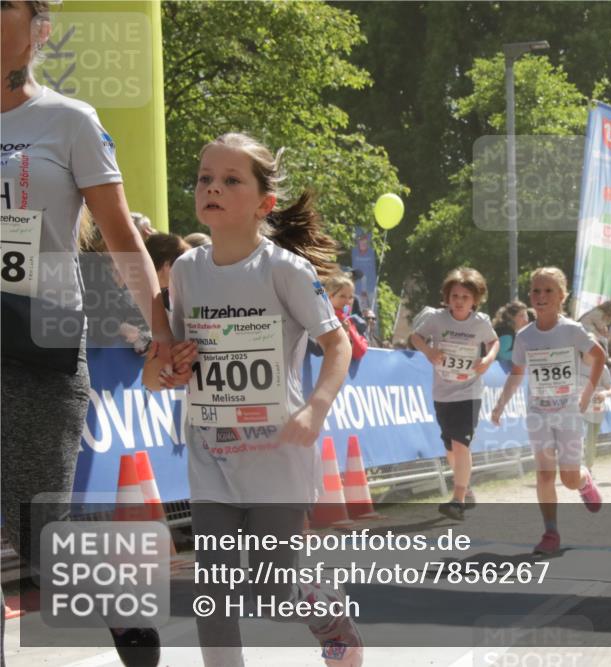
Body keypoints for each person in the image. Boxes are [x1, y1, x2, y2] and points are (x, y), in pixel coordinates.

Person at [1, 2, 179, 663]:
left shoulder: (68, 121)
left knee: (40, 531)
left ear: (38, 29)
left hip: (38, 335)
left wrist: (158, 323)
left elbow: (119, 232)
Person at [141, 132, 360, 666]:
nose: (212, 187)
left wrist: (316, 408)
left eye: (230, 180)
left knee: (268, 592)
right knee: (211, 595)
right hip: (211, 453)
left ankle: (331, 619)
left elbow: (337, 347)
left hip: (277, 454)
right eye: (205, 179)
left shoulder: (285, 270)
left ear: (265, 202)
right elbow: (156, 369)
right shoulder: (187, 272)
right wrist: (170, 369)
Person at [490, 267, 605, 556]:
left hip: (568, 413)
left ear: (562, 296)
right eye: (536, 291)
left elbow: (599, 357)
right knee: (543, 474)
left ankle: (583, 480)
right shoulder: (525, 336)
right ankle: (550, 532)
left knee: (567, 479)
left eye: (548, 291)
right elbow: (517, 373)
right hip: (538, 413)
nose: (541, 296)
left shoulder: (571, 330)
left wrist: (587, 394)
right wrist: (501, 403)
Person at [410, 267, 499, 521]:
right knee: (450, 447)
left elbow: (494, 342)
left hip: (469, 392)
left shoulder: (480, 322)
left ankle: (457, 500)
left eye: (465, 297)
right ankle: (466, 488)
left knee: (461, 443)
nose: (459, 302)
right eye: (455, 296)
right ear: (447, 298)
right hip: (443, 392)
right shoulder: (437, 319)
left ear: (475, 300)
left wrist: (488, 358)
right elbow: (416, 337)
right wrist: (429, 352)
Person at [582, 348, 611, 475]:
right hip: (579, 407)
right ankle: (580, 467)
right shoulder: (574, 364)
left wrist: (604, 393)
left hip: (596, 406)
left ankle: (588, 466)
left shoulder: (603, 367)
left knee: (591, 437)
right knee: (581, 434)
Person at [324, 272, 368, 361]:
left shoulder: (344, 314)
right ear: (329, 296)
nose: (347, 301)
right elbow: (317, 290)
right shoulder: (328, 313)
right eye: (342, 296)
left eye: (351, 297)